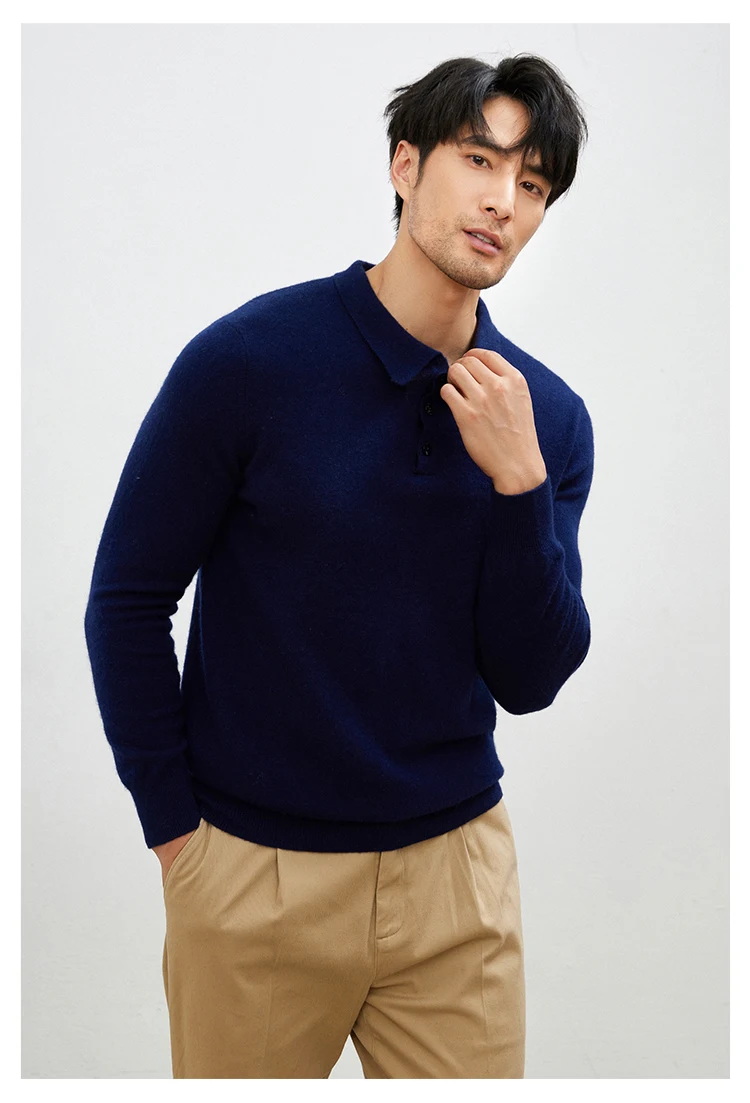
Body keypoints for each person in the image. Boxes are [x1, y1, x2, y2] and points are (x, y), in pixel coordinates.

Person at [84, 52, 595, 1079]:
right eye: (479, 159)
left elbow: (532, 676)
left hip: (457, 879)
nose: (503, 199)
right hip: (255, 873)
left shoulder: (545, 418)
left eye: (533, 183)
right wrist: (177, 835)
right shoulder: (249, 363)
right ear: (405, 165)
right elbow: (127, 600)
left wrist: (519, 482)